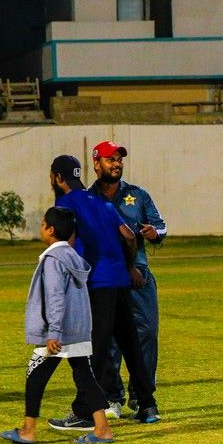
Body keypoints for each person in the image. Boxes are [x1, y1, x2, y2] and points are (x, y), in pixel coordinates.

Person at [46, 155, 161, 428]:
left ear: (58, 178)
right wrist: (129, 267)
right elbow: (129, 235)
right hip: (119, 280)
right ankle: (147, 405)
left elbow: (67, 247)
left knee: (94, 350)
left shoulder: (65, 205)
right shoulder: (100, 201)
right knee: (131, 345)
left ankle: (85, 412)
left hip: (97, 284)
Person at [0, 207, 114, 444]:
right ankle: (102, 429)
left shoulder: (53, 260)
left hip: (59, 332)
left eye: (43, 225)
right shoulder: (72, 256)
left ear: (51, 230)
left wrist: (53, 332)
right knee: (84, 376)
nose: (41, 228)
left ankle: (28, 430)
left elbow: (55, 297)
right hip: (78, 329)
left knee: (35, 375)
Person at [88, 140, 166, 417]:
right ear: (96, 163)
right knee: (107, 338)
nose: (117, 164)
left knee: (147, 333)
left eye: (119, 159)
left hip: (138, 278)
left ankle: (142, 397)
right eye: (110, 159)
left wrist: (155, 234)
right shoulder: (87, 200)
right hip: (104, 279)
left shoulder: (137, 195)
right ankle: (112, 397)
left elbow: (160, 225)